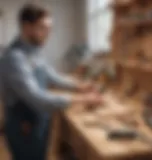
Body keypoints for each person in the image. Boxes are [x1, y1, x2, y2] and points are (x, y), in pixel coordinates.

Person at [0, 4, 104, 160]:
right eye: (43, 28)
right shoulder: (15, 58)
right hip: (23, 125)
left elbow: (51, 76)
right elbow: (37, 98)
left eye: (49, 28)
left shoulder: (34, 51)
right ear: (27, 27)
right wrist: (82, 99)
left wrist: (80, 87)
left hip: (38, 121)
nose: (47, 34)